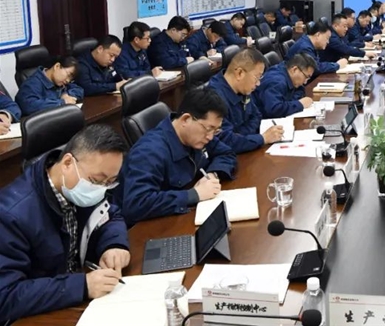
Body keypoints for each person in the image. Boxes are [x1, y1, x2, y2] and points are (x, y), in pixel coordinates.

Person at [0, 125, 130, 322]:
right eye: (97, 180)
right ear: (68, 163)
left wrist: (114, 245)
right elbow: (6, 296)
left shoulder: (81, 187)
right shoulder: (11, 215)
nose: (101, 189)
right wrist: (82, 286)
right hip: (36, 315)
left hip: (73, 298)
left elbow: (112, 215)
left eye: (110, 182)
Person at [114, 88, 238, 225]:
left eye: (216, 131)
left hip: (180, 215)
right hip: (149, 227)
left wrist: (212, 174)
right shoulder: (148, 152)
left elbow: (226, 153)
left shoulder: (198, 136)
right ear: (186, 119)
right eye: (209, 129)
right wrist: (193, 194)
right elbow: (136, 204)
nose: (210, 137)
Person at [208, 48, 283, 154]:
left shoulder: (242, 88)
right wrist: (262, 138)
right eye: (257, 77)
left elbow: (256, 116)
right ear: (240, 73)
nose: (258, 83)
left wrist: (242, 136)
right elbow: (226, 142)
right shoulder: (213, 98)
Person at [15, 56, 84, 115]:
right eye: (68, 75)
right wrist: (62, 102)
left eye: (70, 79)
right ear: (57, 66)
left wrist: (66, 94)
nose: (68, 80)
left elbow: (79, 90)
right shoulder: (33, 83)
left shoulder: (60, 82)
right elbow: (29, 106)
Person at [254, 53, 316, 119]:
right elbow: (274, 110)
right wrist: (300, 104)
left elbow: (300, 90)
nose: (305, 82)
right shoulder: (277, 81)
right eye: (306, 77)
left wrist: (291, 103)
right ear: (294, 70)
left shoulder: (288, 72)